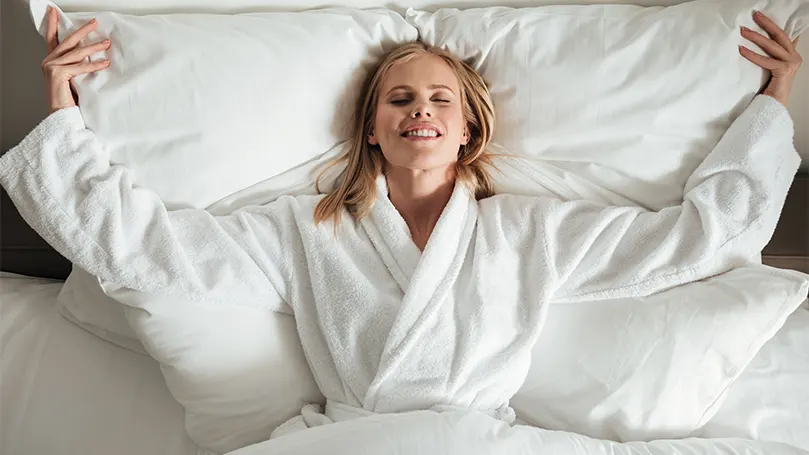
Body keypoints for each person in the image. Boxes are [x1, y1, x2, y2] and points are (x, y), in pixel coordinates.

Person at [0, 6, 803, 438]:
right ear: (373, 129)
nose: (421, 108)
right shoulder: (303, 230)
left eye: (440, 99)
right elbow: (144, 250)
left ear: (468, 130)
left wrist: (770, 105)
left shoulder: (530, 232)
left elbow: (691, 241)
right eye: (399, 98)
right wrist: (65, 111)